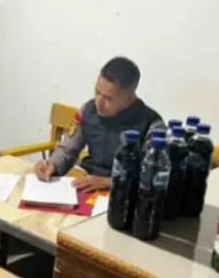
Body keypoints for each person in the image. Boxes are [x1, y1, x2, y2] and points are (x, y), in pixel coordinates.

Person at [34, 57, 165, 191]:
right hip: (88, 183)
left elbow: (155, 177)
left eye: (108, 98)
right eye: (97, 92)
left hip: (125, 193)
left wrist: (109, 182)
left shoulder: (152, 125)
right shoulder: (88, 110)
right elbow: (68, 150)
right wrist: (52, 165)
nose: (99, 102)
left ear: (129, 99)